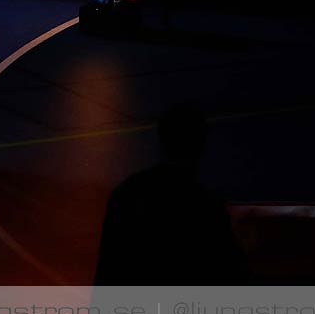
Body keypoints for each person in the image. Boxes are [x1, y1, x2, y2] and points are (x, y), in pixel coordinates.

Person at [93, 103, 247, 284]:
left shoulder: (127, 193)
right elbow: (228, 271)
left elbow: (108, 267)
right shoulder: (204, 204)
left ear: (162, 139)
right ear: (200, 143)